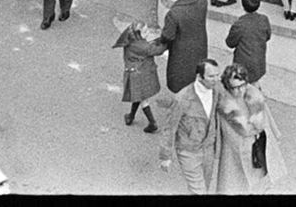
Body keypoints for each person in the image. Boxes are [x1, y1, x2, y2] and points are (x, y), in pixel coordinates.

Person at [214, 61, 287, 193]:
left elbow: (267, 119)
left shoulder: (254, 96)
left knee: (257, 181)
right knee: (234, 183)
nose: (238, 91)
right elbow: (229, 133)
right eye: (234, 87)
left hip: (255, 147)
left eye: (241, 86)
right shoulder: (225, 104)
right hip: (235, 151)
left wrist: (273, 134)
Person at [161, 59, 222, 194]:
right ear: (199, 77)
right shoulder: (182, 98)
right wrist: (166, 156)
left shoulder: (216, 91)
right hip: (188, 151)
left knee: (204, 187)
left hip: (208, 149)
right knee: (199, 191)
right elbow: (169, 128)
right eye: (211, 76)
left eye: (218, 75)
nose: (216, 79)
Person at [159, 0, 213, 95]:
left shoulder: (174, 13)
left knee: (180, 81)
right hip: (200, 46)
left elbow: (167, 36)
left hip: (181, 52)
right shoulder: (201, 0)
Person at [114, 20, 166, 134]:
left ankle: (131, 116)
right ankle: (152, 123)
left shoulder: (132, 41)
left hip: (134, 73)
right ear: (139, 33)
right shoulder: (142, 46)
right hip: (140, 74)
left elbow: (149, 45)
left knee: (139, 95)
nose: (148, 33)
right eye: (145, 31)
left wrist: (156, 41)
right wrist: (166, 42)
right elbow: (157, 50)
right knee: (143, 100)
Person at [224, 0, 272, 85]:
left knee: (241, 85)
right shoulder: (264, 19)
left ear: (243, 6)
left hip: (243, 63)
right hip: (259, 60)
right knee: (254, 82)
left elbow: (230, 43)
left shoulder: (240, 24)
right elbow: (268, 36)